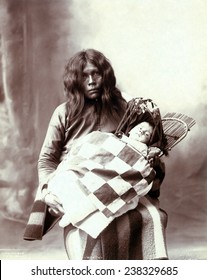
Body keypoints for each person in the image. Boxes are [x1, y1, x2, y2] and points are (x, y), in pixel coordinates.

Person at [23, 49, 168, 260]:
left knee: (151, 217)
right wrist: (47, 191)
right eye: (84, 75)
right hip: (78, 181)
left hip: (118, 181)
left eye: (96, 74)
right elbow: (47, 159)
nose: (91, 81)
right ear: (75, 80)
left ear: (105, 76)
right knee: (91, 225)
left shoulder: (125, 110)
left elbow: (139, 148)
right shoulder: (63, 113)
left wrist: (150, 161)